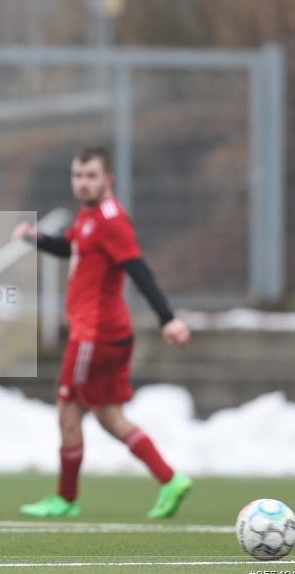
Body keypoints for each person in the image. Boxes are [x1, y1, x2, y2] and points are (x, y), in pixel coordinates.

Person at [13, 147, 192, 519]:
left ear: (108, 179)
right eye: (78, 176)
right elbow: (70, 247)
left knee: (68, 411)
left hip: (93, 337)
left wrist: (167, 318)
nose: (83, 183)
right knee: (110, 416)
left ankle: (65, 498)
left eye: (91, 176)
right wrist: (37, 237)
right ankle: (169, 479)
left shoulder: (111, 220)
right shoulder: (90, 215)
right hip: (110, 336)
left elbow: (138, 268)